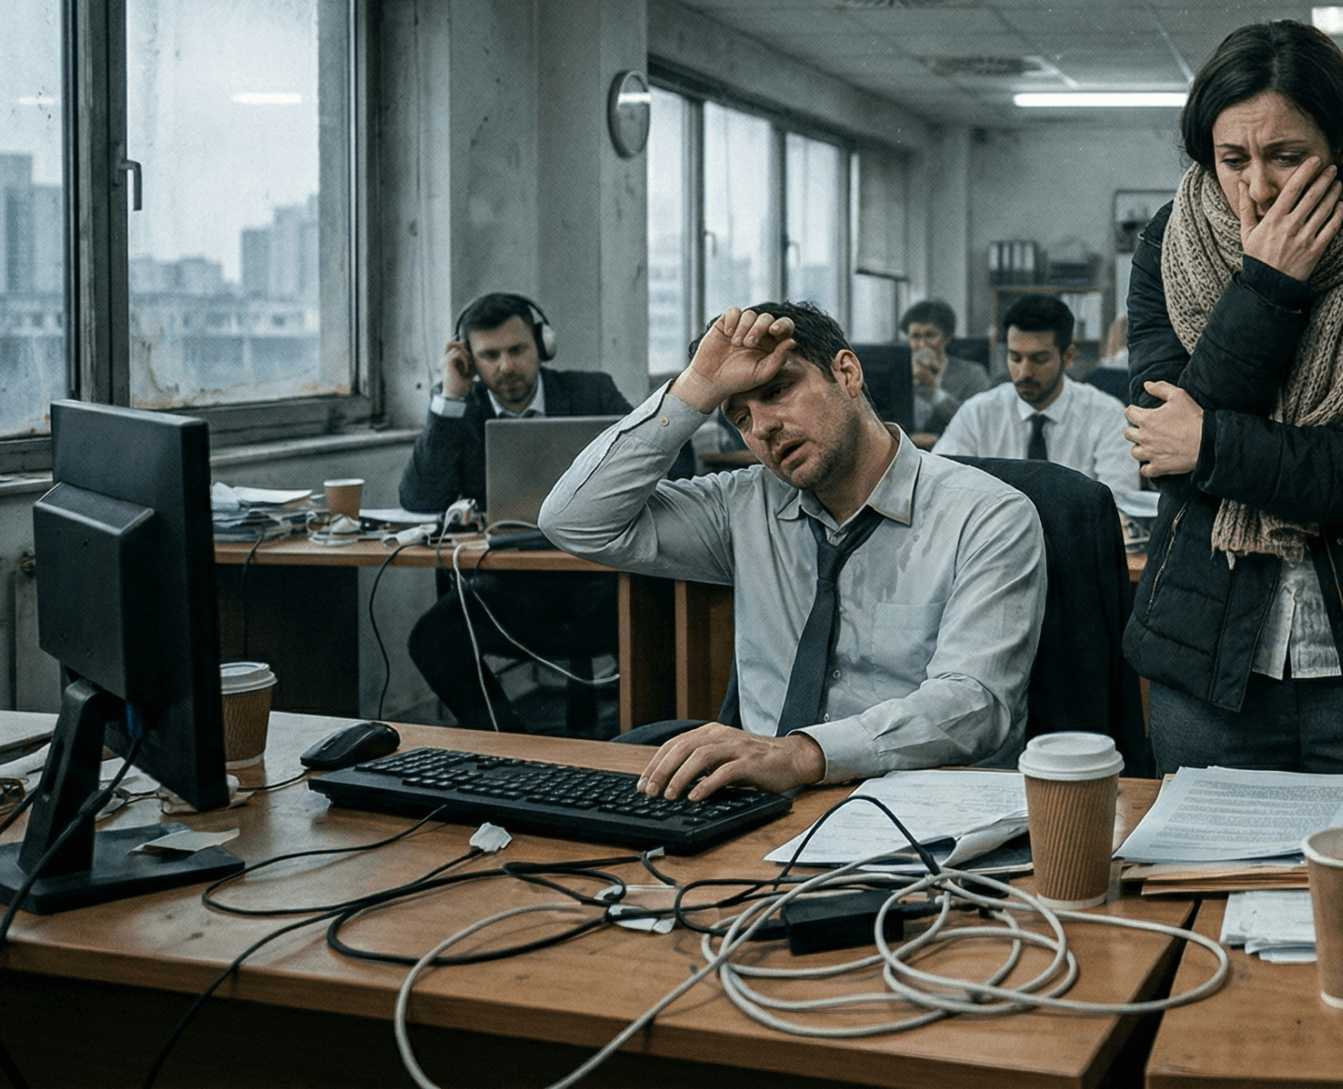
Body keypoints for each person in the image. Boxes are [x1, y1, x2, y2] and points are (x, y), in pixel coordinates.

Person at [1121, 18, 1343, 786]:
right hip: (1208, 657)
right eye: (1232, 159)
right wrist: (1266, 288)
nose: (1258, 187)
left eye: (1287, 157)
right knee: (1206, 892)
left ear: (1340, 149)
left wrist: (1214, 445)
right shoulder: (1166, 246)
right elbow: (1164, 456)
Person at [539, 301, 1046, 798]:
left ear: (847, 373)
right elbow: (574, 521)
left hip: (917, 807)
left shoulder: (987, 514)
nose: (761, 428)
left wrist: (802, 755)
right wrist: (693, 391)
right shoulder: (742, 505)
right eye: (740, 416)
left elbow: (973, 704)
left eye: (778, 391)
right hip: (761, 803)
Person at [397, 292, 631, 733]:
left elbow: (661, 464)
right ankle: (509, 743)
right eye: (490, 355)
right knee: (433, 640)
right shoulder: (459, 409)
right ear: (469, 359)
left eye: (517, 350)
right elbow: (420, 498)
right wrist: (450, 397)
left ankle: (643, 745)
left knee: (660, 614)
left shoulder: (591, 392)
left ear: (543, 345)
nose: (505, 366)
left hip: (601, 579)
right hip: (511, 588)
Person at [937, 293, 1154, 519]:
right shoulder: (978, 412)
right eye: (1015, 358)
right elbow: (940, 483)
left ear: (1068, 357)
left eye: (1039, 359)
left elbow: (1117, 503)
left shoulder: (1106, 415)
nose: (1025, 371)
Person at [903, 298, 990, 417]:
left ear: (947, 338)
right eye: (915, 336)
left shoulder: (973, 374)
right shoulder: (897, 373)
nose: (922, 344)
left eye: (930, 335)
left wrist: (933, 390)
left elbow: (979, 421)